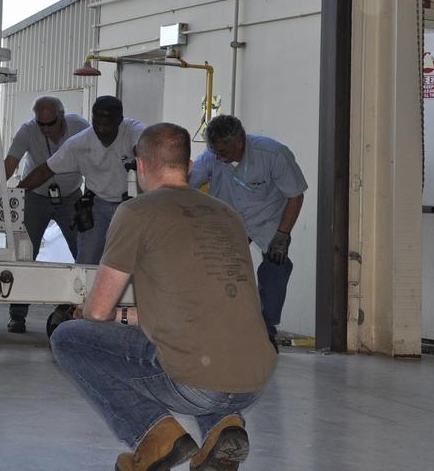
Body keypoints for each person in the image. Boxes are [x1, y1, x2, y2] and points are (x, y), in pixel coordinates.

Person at [49, 123, 275, 471]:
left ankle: (156, 437)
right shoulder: (227, 215)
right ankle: (223, 426)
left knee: (68, 338)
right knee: (200, 341)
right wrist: (127, 318)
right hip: (253, 379)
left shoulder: (137, 212)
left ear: (140, 165)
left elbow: (97, 311)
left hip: (197, 383)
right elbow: (195, 307)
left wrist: (85, 313)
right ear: (188, 166)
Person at [188, 114, 306, 350]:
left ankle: (265, 331)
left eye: (223, 151)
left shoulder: (273, 154)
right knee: (219, 273)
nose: (218, 157)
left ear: (239, 142)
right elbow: (188, 184)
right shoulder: (211, 156)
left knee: (276, 269)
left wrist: (282, 236)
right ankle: (222, 328)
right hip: (228, 219)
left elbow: (295, 196)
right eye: (215, 151)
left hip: (268, 220)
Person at [17, 95, 144, 266]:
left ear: (119, 120)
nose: (101, 129)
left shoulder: (135, 131)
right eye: (97, 123)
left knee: (135, 260)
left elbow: (145, 152)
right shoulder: (78, 144)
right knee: (86, 262)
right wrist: (16, 193)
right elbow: (45, 170)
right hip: (97, 206)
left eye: (107, 124)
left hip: (130, 206)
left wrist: (140, 159)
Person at [1, 96, 90, 333]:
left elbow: (94, 158)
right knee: (26, 253)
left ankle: (86, 308)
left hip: (70, 196)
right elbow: (10, 164)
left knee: (82, 249)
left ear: (62, 116)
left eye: (50, 124)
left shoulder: (80, 127)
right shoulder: (28, 131)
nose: (45, 130)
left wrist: (91, 195)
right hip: (36, 196)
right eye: (41, 124)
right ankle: (17, 315)